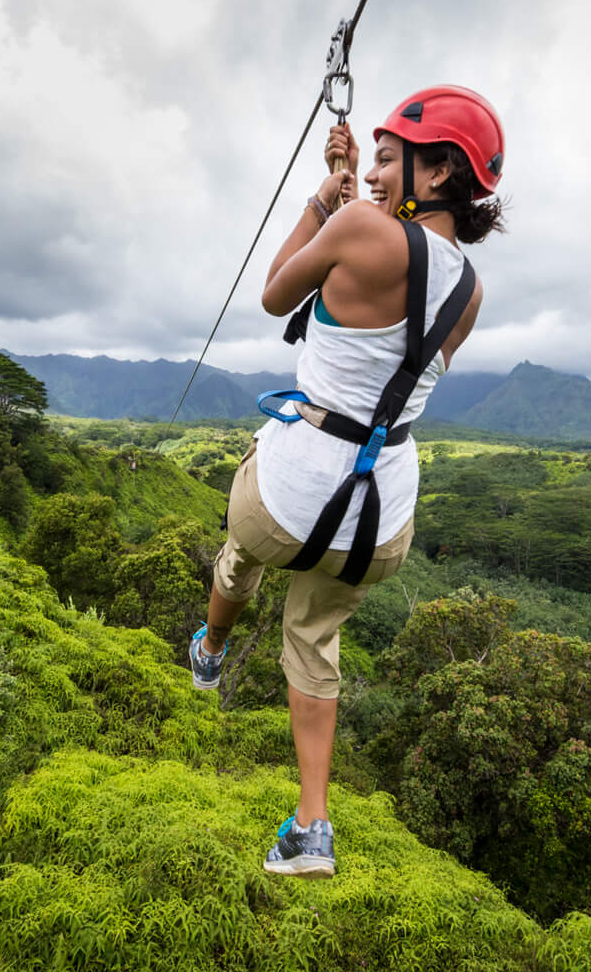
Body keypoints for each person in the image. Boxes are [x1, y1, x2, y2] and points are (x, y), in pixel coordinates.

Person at [188, 85, 508, 879]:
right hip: (380, 523)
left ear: (437, 173)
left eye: (389, 160)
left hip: (292, 497)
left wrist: (317, 204)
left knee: (243, 552)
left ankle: (211, 648)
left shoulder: (361, 225)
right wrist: (349, 190)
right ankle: (311, 827)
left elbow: (275, 294)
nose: (372, 176)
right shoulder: (469, 291)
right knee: (313, 637)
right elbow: (392, 294)